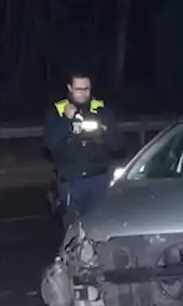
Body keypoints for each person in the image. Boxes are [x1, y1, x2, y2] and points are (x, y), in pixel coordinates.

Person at [43, 72, 123, 225]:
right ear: (70, 88)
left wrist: (103, 131)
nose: (83, 93)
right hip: (71, 182)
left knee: (99, 229)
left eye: (86, 89)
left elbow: (118, 144)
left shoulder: (101, 111)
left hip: (98, 181)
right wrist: (67, 120)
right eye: (78, 89)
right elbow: (50, 144)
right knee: (73, 233)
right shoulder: (57, 112)